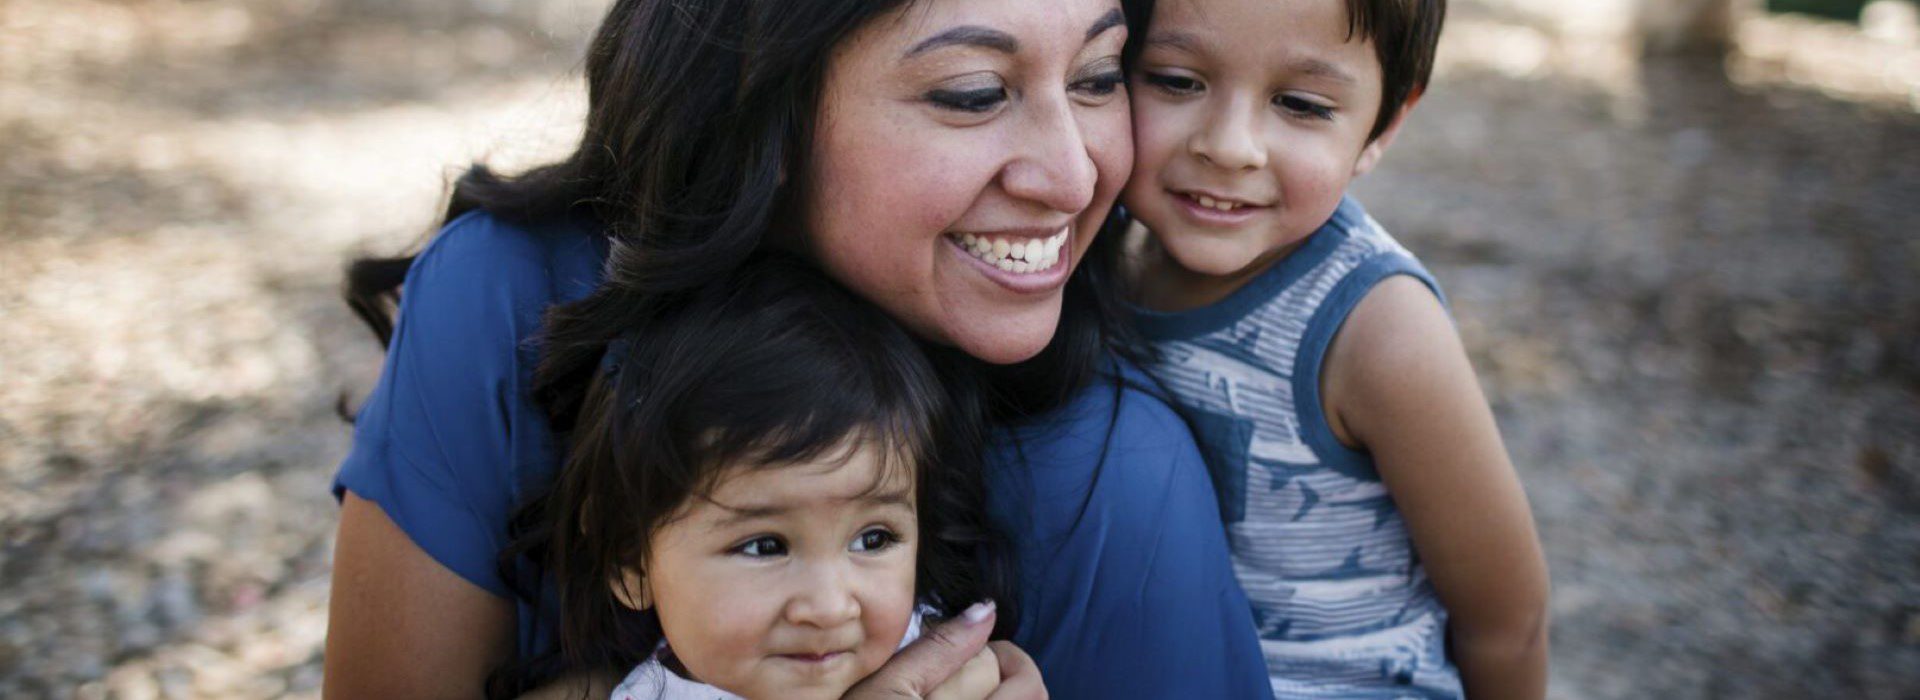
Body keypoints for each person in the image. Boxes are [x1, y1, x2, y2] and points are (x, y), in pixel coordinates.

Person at [323, 1, 1273, 698]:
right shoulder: (511, 295)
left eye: (1099, 78)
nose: (1074, 173)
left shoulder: (1110, 473)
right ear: (758, 110)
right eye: (974, 92)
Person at [1114, 0, 1550, 697]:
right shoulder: (1092, 256)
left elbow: (1508, 621)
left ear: (1386, 124)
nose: (1228, 146)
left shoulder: (1376, 331)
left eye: (1301, 104)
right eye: (1174, 80)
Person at [518, 255, 1001, 700]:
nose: (830, 607)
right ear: (631, 559)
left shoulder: (945, 664)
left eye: (874, 539)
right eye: (765, 546)